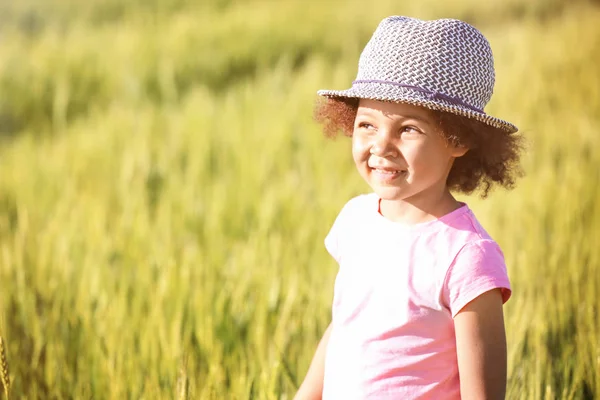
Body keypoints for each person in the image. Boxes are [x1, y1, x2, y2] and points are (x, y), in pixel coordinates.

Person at [294, 16, 523, 399]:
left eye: (408, 129)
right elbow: (346, 327)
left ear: (459, 138)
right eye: (367, 124)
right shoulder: (356, 219)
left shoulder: (466, 256)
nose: (381, 146)